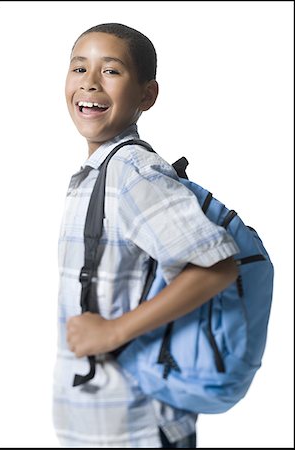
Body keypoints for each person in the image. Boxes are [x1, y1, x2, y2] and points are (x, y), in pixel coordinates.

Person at [53, 23, 239, 448]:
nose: (90, 83)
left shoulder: (132, 173)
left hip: (137, 426)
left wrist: (113, 332)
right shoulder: (97, 174)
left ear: (147, 95)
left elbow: (217, 266)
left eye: (111, 71)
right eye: (79, 68)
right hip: (100, 423)